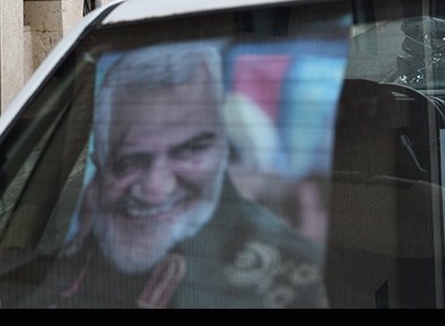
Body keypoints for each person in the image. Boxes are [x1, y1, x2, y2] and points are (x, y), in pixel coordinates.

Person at [19, 43, 327, 308]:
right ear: (99, 159)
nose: (156, 187)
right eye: (130, 159)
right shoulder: (76, 244)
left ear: (223, 142)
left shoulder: (294, 274)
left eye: (190, 150)